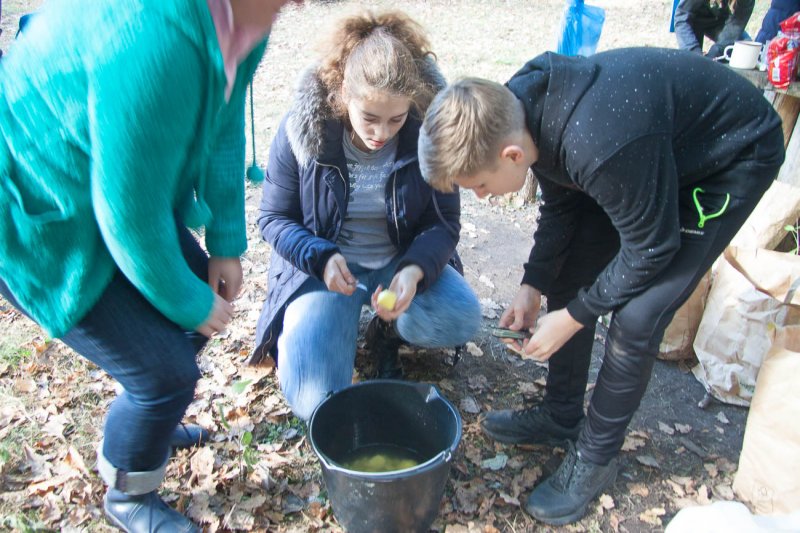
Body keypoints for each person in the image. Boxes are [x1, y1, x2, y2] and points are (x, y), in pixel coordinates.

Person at [418, 47, 784, 525]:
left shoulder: (599, 145)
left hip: (728, 154)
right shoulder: (517, 111)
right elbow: (561, 203)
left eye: (479, 186)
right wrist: (533, 283)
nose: (482, 197)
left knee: (639, 316)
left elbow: (653, 247)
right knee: (570, 271)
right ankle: (561, 414)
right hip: (644, 153)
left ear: (511, 155)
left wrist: (573, 318)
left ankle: (595, 457)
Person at [0, 0, 295, 531]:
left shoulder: (245, 20)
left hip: (107, 187)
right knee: (166, 373)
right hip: (40, 217)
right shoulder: (151, 34)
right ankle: (128, 493)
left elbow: (225, 122)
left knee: (188, 319)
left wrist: (226, 242)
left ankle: (145, 418)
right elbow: (128, 214)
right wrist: (185, 300)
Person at [251, 10, 481, 421]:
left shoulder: (428, 133)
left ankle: (385, 333)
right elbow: (273, 217)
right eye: (370, 118)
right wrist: (320, 258)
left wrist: (413, 271)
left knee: (460, 315)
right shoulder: (304, 131)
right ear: (344, 93)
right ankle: (322, 326)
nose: (381, 133)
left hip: (398, 260)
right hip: (327, 270)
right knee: (314, 400)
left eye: (396, 120)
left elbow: (443, 222)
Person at [674, 0, 755, 58]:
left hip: (720, 20)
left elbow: (737, 21)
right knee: (693, 61)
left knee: (748, 50)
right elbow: (682, 16)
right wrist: (693, 50)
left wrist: (718, 49)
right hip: (693, 20)